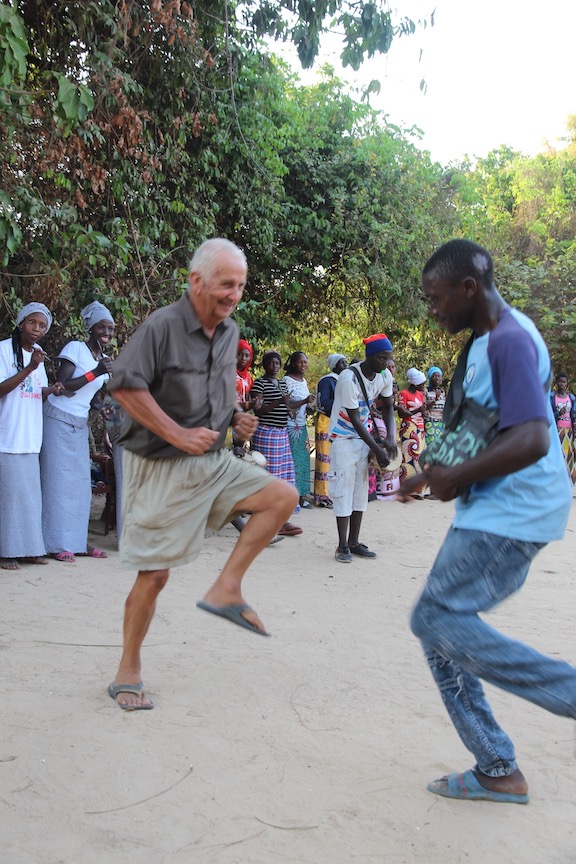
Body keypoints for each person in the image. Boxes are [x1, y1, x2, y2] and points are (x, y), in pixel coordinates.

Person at [400, 239, 576, 805]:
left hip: (516, 510)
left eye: (436, 298)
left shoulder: (510, 340)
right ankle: (496, 766)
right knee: (438, 629)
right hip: (496, 507)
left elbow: (531, 437)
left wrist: (456, 476)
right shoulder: (481, 345)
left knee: (433, 618)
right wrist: (428, 475)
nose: (434, 309)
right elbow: (478, 421)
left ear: (468, 289)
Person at [107, 239, 298, 709]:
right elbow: (124, 387)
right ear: (196, 281)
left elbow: (214, 392)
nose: (234, 293)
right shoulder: (162, 326)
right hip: (158, 465)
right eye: (225, 283)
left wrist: (234, 417)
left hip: (210, 460)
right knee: (155, 576)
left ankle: (226, 587)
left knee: (282, 498)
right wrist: (175, 432)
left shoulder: (229, 333)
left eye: (240, 285)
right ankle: (126, 671)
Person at [40, 301, 114, 562]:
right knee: (57, 485)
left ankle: (77, 542)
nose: (107, 332)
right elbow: (65, 386)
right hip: (58, 420)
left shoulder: (102, 359)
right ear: (91, 329)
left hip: (79, 423)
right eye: (102, 327)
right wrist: (96, 372)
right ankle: (57, 544)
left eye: (110, 327)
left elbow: (88, 394)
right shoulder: (76, 349)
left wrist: (101, 407)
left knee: (80, 486)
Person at [0, 303, 64, 570]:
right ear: (20, 322)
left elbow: (34, 392)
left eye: (42, 326)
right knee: (10, 498)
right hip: (9, 435)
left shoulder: (37, 355)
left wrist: (52, 390)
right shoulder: (3, 349)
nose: (37, 329)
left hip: (30, 435)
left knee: (29, 499)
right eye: (32, 323)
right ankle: (6, 552)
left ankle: (29, 549)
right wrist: (28, 368)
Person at [328, 333, 397, 563]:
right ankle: (342, 546)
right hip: (343, 439)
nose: (386, 363)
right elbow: (356, 420)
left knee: (360, 490)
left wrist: (391, 438)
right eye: (381, 358)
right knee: (343, 488)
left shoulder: (384, 375)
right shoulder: (348, 379)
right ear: (369, 356)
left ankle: (355, 542)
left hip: (362, 439)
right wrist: (377, 450)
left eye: (388, 358)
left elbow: (388, 407)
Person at [250, 351, 303, 537]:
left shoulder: (281, 383)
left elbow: (288, 406)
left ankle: (279, 519)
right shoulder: (260, 383)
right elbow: (259, 409)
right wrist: (280, 401)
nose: (274, 366)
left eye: (277, 363)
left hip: (281, 433)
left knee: (282, 475)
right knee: (269, 476)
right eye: (271, 363)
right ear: (265, 365)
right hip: (266, 432)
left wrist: (290, 411)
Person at [282, 351, 316, 509]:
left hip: (301, 427)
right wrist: (304, 401)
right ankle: (290, 496)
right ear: (293, 363)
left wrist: (310, 408)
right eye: (301, 362)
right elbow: (285, 405)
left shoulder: (303, 381)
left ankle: (302, 496)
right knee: (292, 462)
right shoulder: (286, 381)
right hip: (290, 427)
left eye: (306, 362)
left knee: (303, 462)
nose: (304, 365)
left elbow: (304, 405)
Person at [313, 353, 347, 507]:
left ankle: (333, 492)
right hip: (326, 422)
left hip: (338, 424)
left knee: (336, 460)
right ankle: (322, 495)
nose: (345, 366)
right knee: (324, 460)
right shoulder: (327, 381)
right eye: (342, 363)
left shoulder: (343, 381)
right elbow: (325, 403)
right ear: (334, 365)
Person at [397, 368, 427, 485]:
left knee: (420, 458)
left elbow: (423, 411)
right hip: (409, 428)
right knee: (409, 458)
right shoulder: (404, 394)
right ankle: (408, 486)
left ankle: (420, 488)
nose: (424, 386)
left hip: (420, 428)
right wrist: (418, 410)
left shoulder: (420, 394)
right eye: (422, 384)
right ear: (415, 384)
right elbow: (401, 413)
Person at [550, 371, 576, 484]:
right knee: (558, 456)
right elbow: (549, 415)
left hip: (569, 431)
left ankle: (569, 484)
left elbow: (573, 415)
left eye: (564, 382)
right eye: (560, 382)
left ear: (566, 383)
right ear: (556, 382)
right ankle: (557, 483)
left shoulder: (571, 398)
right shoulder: (551, 397)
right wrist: (559, 413)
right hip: (557, 431)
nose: (562, 384)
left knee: (569, 457)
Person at [424, 366, 445, 448]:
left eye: (438, 376)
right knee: (431, 446)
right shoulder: (426, 391)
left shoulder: (443, 392)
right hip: (430, 422)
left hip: (440, 423)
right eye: (434, 376)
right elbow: (425, 407)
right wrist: (436, 399)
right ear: (429, 378)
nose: (436, 378)